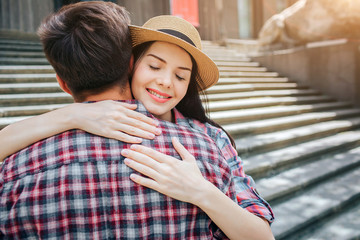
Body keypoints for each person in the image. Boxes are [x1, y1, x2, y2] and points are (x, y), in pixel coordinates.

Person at [0, 3, 274, 240]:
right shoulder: (64, 128)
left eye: (181, 76)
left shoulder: (211, 139)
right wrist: (70, 115)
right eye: (154, 66)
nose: (166, 81)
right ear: (131, 64)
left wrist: (201, 191)